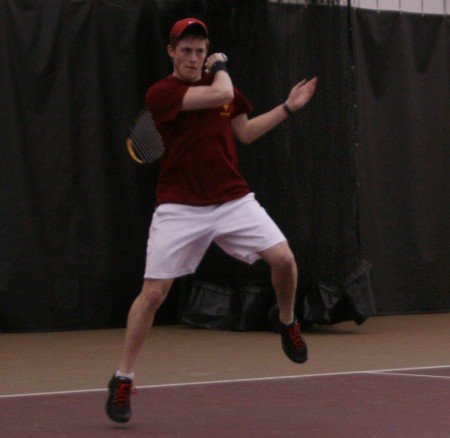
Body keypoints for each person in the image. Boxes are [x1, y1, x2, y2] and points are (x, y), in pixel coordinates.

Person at [106, 17, 318, 423]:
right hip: (179, 206)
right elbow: (221, 88)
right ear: (171, 53)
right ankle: (123, 379)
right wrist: (220, 67)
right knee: (152, 295)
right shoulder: (163, 93)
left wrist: (289, 107)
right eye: (185, 50)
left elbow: (247, 132)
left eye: (200, 51)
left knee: (285, 260)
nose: (193, 57)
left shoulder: (225, 91)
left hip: (231, 200)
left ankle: (288, 322)